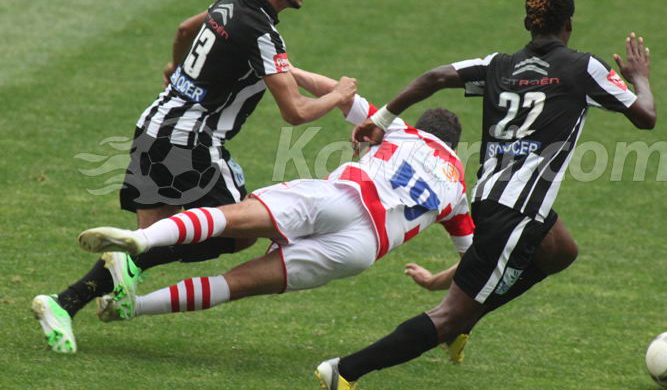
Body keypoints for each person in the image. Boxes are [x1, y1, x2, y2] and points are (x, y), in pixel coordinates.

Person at [313, 0, 657, 390]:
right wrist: (640, 79)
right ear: (568, 23)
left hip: (496, 200)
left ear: (527, 22)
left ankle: (465, 317)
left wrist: (382, 118)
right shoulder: (582, 68)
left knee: (560, 251)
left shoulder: (501, 65)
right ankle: (345, 370)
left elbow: (436, 76)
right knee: (449, 316)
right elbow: (645, 117)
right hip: (518, 213)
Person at [32, 0, 357, 353]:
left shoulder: (228, 4)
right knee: (242, 231)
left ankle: (62, 304)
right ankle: (117, 266)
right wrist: (339, 96)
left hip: (152, 128)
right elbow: (294, 111)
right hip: (194, 143)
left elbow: (185, 30)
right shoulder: (261, 33)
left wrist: (175, 68)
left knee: (153, 241)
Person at [75, 81, 474, 342]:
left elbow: (346, 99)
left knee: (234, 217)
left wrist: (284, 69)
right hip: (361, 249)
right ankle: (131, 307)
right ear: (454, 146)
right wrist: (434, 283)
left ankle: (140, 239)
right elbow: (473, 260)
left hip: (341, 199)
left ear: (424, 126)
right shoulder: (457, 187)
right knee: (236, 284)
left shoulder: (402, 129)